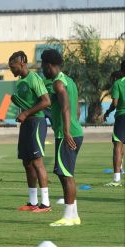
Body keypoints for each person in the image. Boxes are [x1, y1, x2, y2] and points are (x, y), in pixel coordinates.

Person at [41, 49, 84, 226]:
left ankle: (68, 217)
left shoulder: (58, 84)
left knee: (65, 175)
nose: (42, 69)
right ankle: (73, 215)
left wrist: (66, 131)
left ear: (49, 65)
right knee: (67, 174)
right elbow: (77, 109)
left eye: (43, 65)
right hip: (75, 131)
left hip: (67, 134)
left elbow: (66, 108)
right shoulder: (70, 81)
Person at [8, 51, 51, 213]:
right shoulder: (20, 82)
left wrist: (26, 113)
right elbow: (26, 102)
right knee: (27, 162)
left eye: (13, 66)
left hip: (37, 123)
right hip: (26, 124)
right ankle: (33, 202)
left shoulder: (34, 78)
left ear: (22, 63)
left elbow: (46, 101)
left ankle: (46, 204)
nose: (11, 69)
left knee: (37, 162)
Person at [103, 64, 125, 187]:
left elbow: (115, 103)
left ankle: (117, 179)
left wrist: (107, 112)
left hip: (122, 117)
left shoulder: (118, 83)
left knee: (118, 145)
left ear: (122, 71)